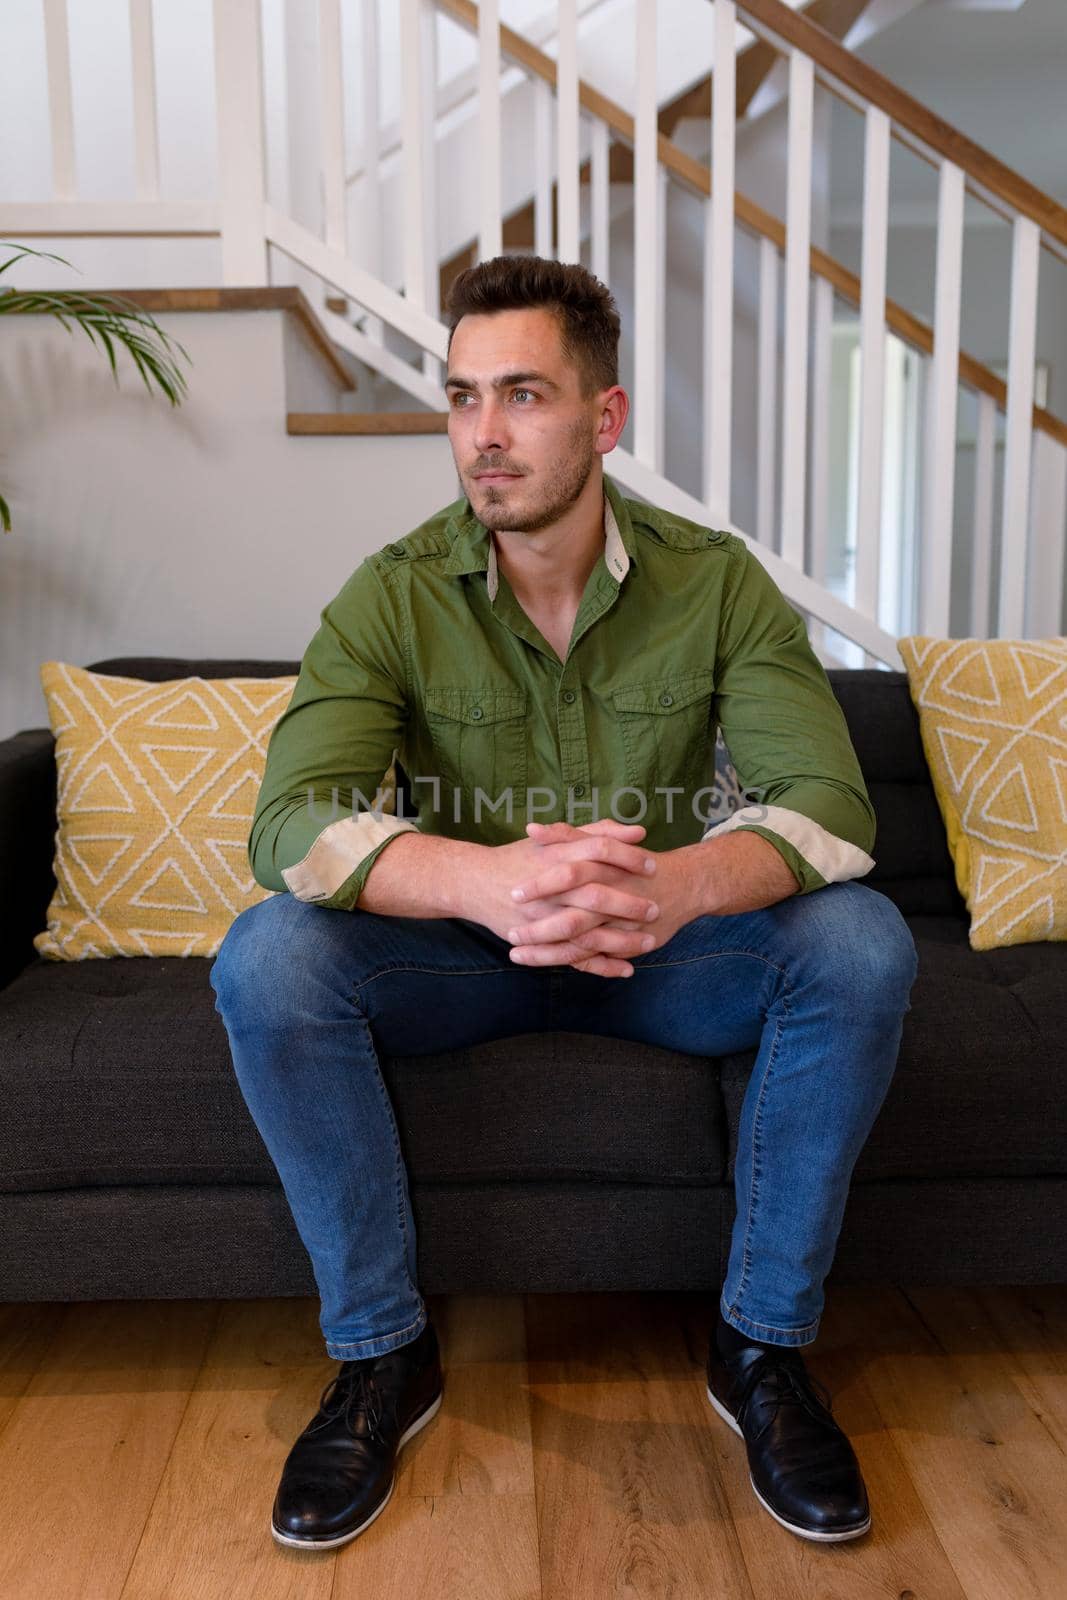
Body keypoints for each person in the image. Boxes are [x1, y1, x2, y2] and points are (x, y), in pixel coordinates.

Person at [210, 255, 919, 1552]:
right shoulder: (391, 592)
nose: (484, 434)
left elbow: (828, 801)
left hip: (662, 958)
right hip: (461, 964)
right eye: (464, 396)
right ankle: (382, 1356)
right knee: (267, 962)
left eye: (523, 394)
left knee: (862, 946)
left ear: (605, 417)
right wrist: (485, 883)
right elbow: (290, 821)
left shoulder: (718, 585)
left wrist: (674, 885)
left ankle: (761, 1350)